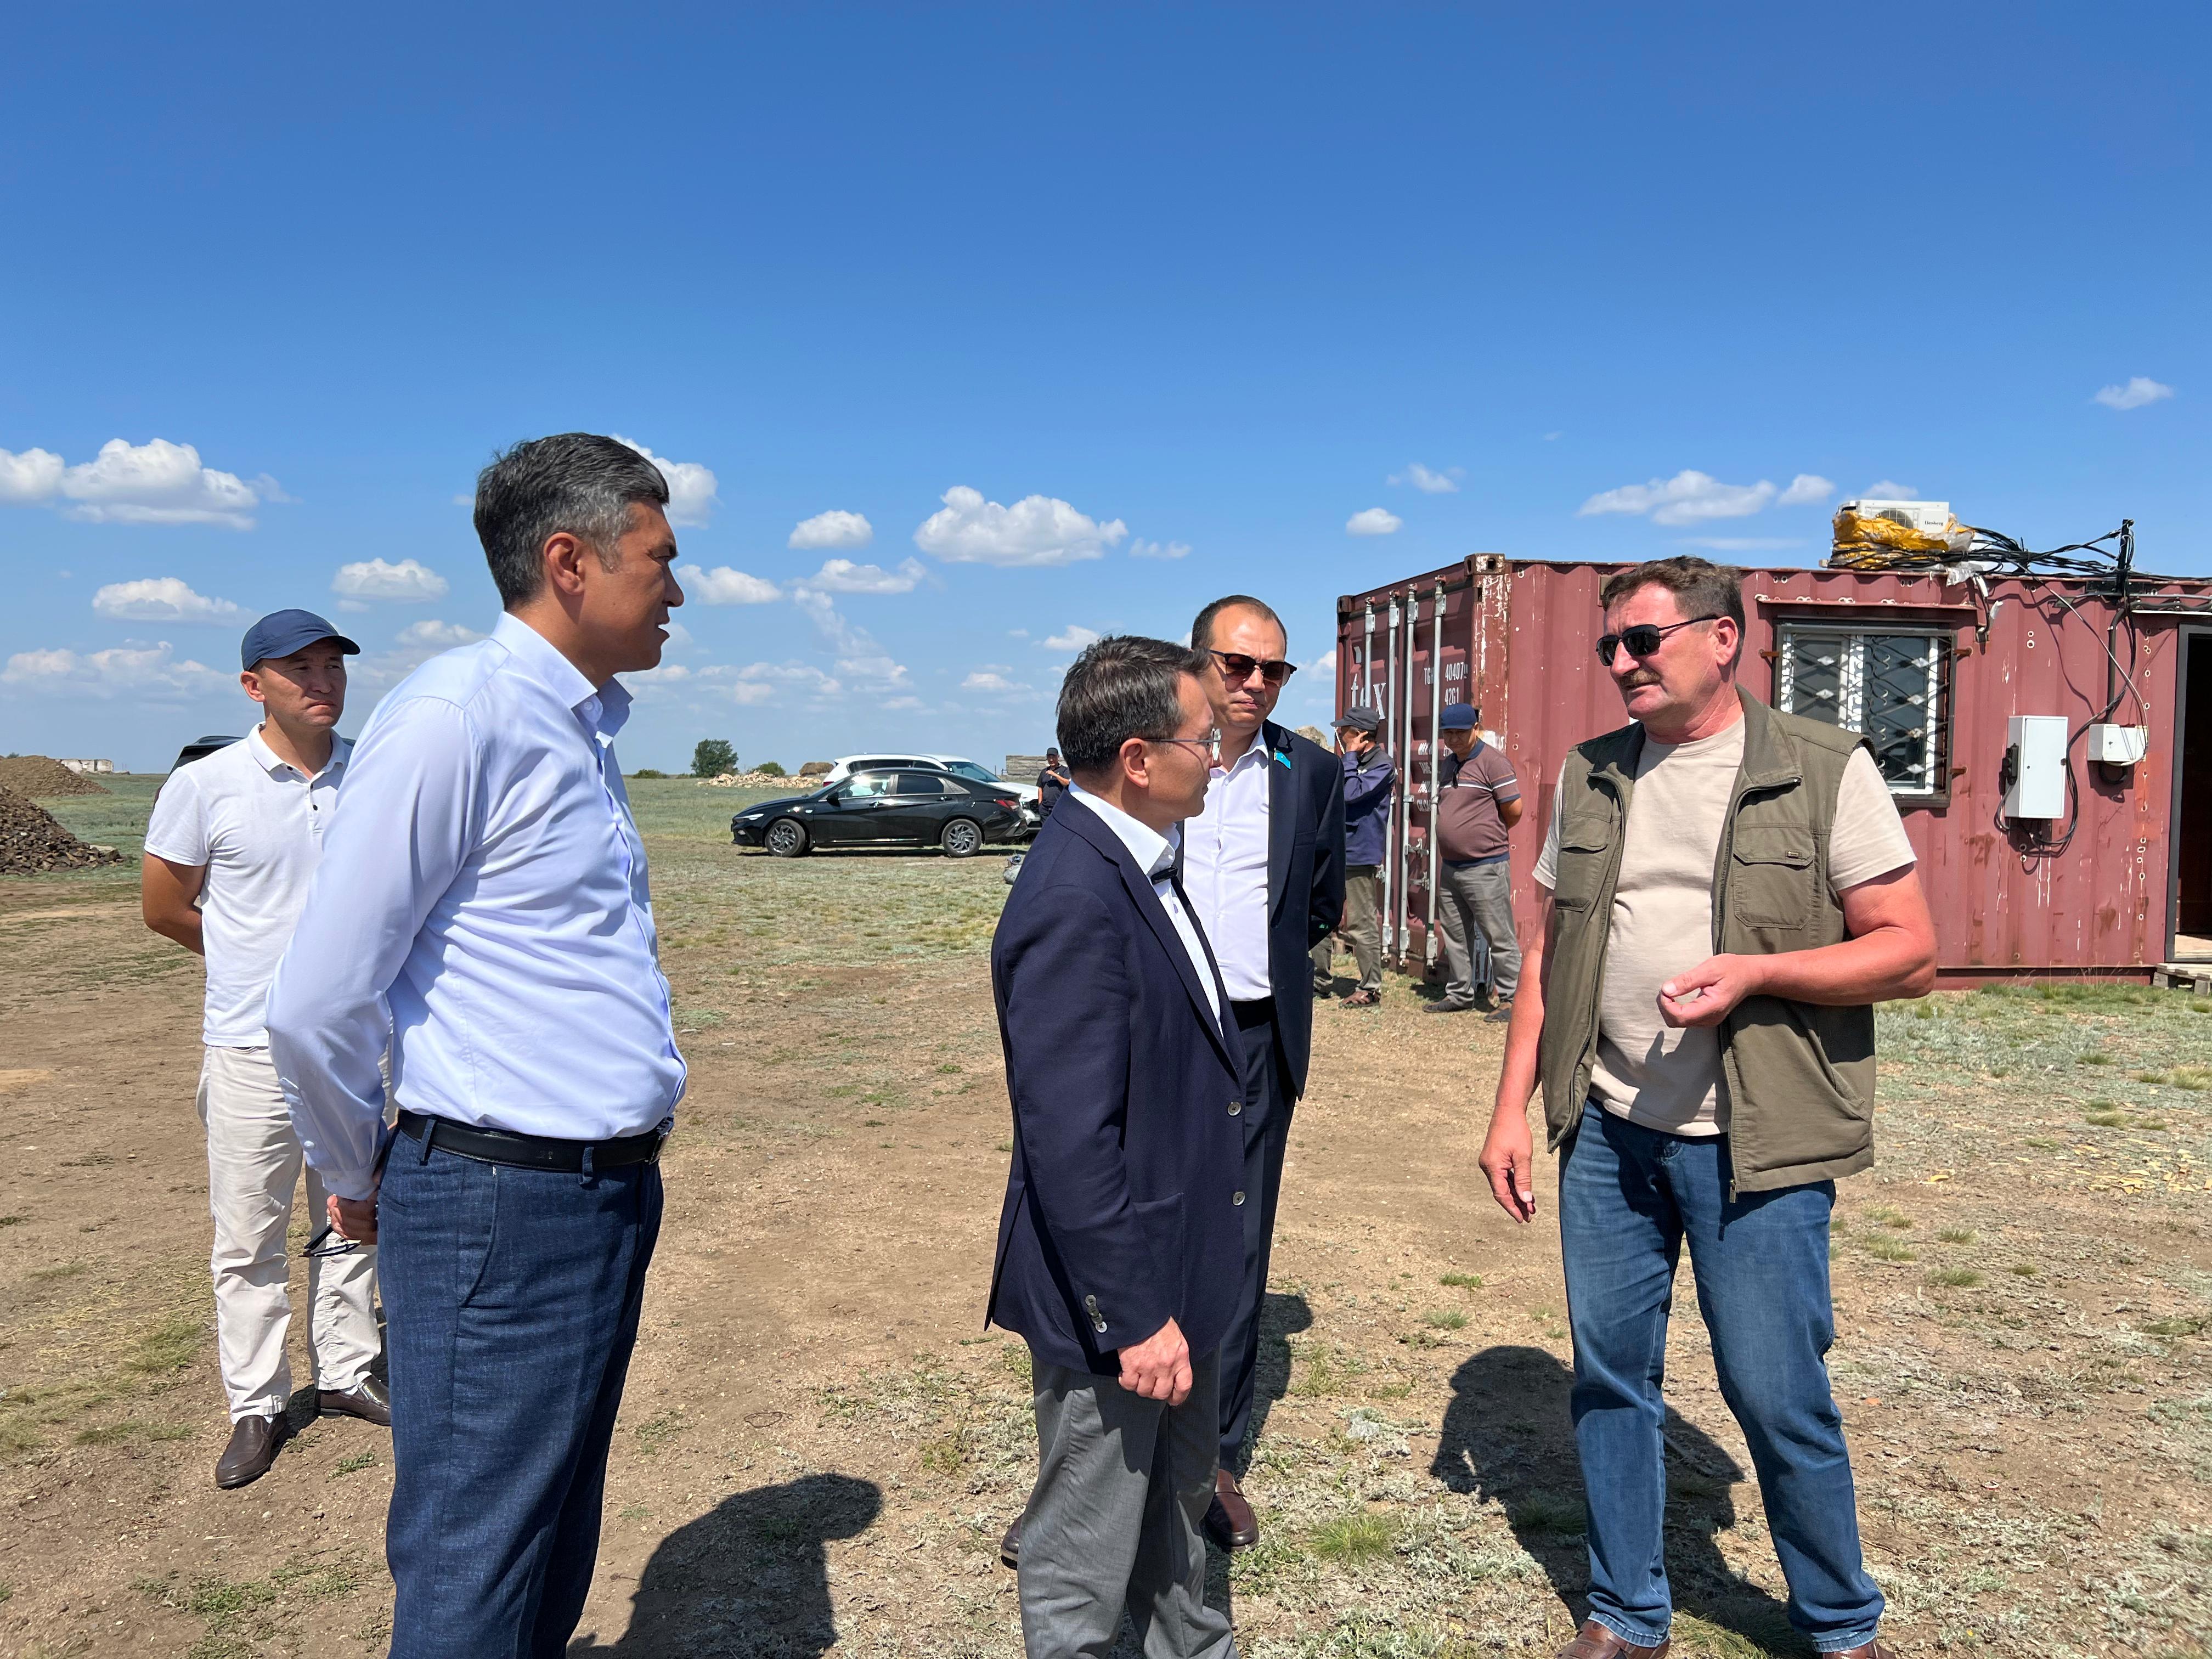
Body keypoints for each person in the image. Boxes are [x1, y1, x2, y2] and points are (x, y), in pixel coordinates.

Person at [266, 433, 688, 1658]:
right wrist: (352, 1174)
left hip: (598, 1193)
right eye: (659, 559)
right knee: (477, 1566)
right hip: (501, 1206)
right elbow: (319, 998)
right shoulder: (458, 719)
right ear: (570, 561)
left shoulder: (578, 730)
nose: (677, 588)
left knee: (550, 1535)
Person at [1476, 557, 1933, 1659]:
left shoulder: (1822, 769)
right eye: (1609, 649)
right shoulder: (1593, 774)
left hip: (1755, 1145)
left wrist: (1755, 975)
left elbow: (1910, 951)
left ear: (1723, 639)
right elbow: (1545, 952)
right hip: (1608, 1134)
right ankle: (1627, 1614)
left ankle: (1838, 1623)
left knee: (1778, 1396)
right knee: (1610, 1383)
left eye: (1643, 641)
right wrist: (1508, 1110)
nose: (1622, 664)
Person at [985, 635, 1244, 1659]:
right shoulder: (1072, 895)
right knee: (1084, 1553)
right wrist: (1135, 1315)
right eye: (1203, 738)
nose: (1218, 756)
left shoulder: (1137, 861)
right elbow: (1069, 1139)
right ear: (1138, 757)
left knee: (1183, 1524)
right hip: (1125, 1297)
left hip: (1183, 1269)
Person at [140, 609, 388, 1491]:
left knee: (351, 1211)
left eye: (332, 667)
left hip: (359, 1046)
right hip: (249, 1045)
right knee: (248, 1233)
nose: (322, 683)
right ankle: (257, 1402)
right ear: (255, 686)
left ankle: (349, 1370)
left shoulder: (375, 776)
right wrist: (259, 966)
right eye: (299, 671)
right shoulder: (207, 785)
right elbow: (165, 907)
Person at [1178, 594, 1344, 1549]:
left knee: (1238, 1255)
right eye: (1237, 664)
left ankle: (1215, 1458)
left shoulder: (1309, 769)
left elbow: (1317, 901)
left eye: (1272, 670)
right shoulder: (1148, 750)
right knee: (1125, 1237)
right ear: (1197, 660)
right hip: (1154, 1035)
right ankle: (1090, 1476)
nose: (1253, 684)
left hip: (1254, 1040)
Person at [1427, 702, 1523, 1022]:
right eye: (1448, 734)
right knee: (1455, 934)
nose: (1453, 739)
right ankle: (1459, 994)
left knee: (1499, 936)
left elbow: (1514, 811)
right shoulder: (1447, 765)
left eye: (1460, 733)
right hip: (1451, 867)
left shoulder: (1494, 763)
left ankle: (1512, 1000)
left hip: (1486, 867)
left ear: (1475, 729)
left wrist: (1484, 837)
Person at [1310, 705, 1393, 1006]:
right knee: (1319, 915)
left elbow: (1350, 794)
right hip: (1334, 849)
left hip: (1359, 855)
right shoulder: (1349, 761)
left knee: (1360, 923)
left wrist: (1349, 757)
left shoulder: (1383, 766)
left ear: (1361, 735)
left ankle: (1370, 988)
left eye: (1345, 731)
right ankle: (1318, 980)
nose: (1340, 735)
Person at [1037, 746, 1070, 816]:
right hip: (1045, 808)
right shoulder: (1044, 772)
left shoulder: (1064, 770)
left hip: (1059, 807)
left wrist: (1055, 775)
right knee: (1045, 827)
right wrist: (1040, 804)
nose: (1051, 760)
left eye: (1053, 757)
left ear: (1058, 757)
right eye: (1049, 757)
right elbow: (1040, 788)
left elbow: (1067, 783)